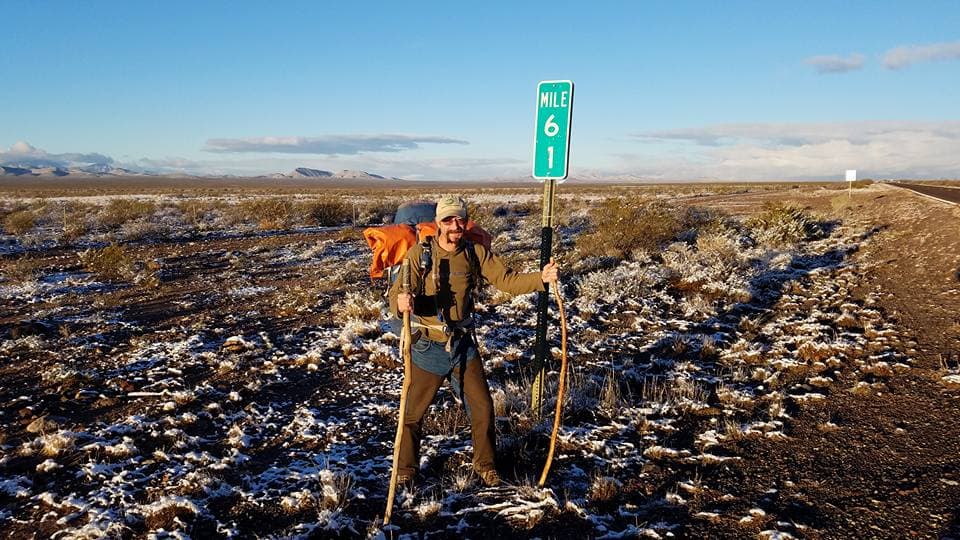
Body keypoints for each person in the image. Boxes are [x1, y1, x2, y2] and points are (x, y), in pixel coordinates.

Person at [389, 195, 559, 488]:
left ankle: (486, 466)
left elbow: (507, 280)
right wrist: (401, 302)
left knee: (482, 408)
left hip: (463, 345)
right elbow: (397, 293)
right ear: (438, 223)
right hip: (428, 347)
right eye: (448, 220)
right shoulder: (420, 254)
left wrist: (541, 279)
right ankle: (405, 470)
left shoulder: (474, 253)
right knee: (412, 414)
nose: (455, 226)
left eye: (460, 220)